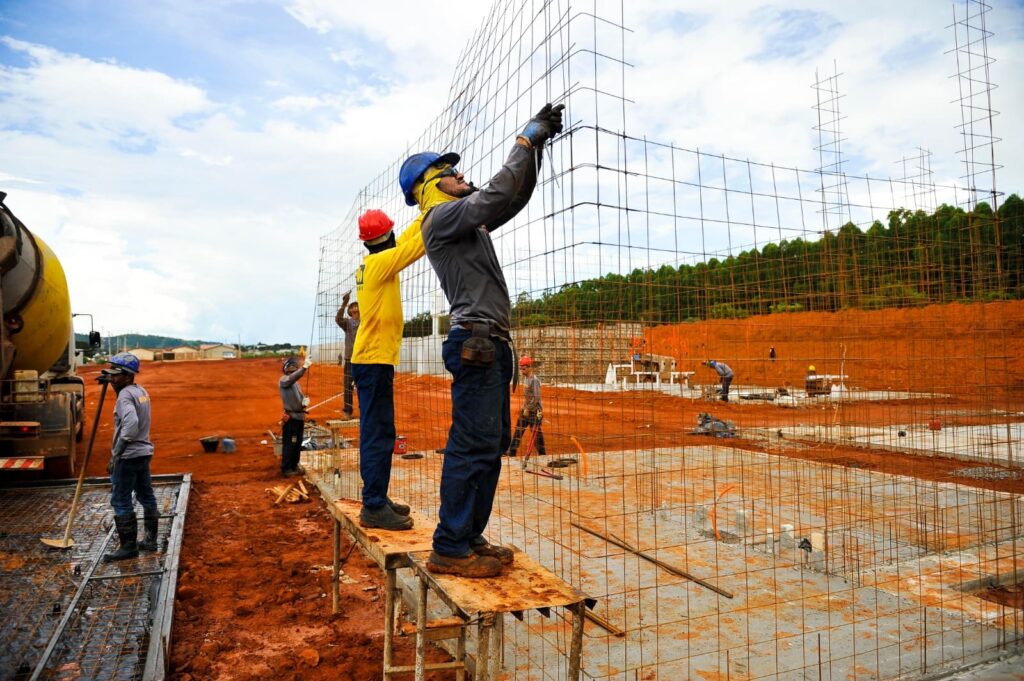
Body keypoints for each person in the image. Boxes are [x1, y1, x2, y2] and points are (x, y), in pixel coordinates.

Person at [402, 101, 565, 577]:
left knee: (488, 444)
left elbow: (511, 198)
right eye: (451, 172)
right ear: (431, 186)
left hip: (490, 346)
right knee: (470, 445)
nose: (460, 174)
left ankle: (468, 536)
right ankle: (450, 545)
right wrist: (523, 140)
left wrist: (534, 152)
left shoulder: (463, 219)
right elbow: (495, 195)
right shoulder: (442, 218)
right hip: (475, 344)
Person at [350, 208, 429, 531]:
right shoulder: (382, 263)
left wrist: (428, 210)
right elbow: (416, 245)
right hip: (373, 361)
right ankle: (373, 504)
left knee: (380, 431)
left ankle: (378, 498)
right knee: (378, 434)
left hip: (373, 360)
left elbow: (410, 236)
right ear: (386, 236)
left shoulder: (374, 261)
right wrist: (440, 214)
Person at [102, 352, 158, 562]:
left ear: (126, 376)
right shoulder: (140, 391)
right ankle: (151, 541)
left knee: (121, 499)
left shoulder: (125, 395)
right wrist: (108, 380)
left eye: (115, 376)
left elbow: (131, 424)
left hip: (128, 455)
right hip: (143, 453)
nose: (112, 379)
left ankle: (128, 547)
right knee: (146, 495)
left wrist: (117, 453)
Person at [279, 355, 312, 477]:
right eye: (291, 368)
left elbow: (299, 395)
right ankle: (287, 468)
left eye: (295, 368)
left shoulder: (296, 384)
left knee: (297, 443)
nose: (293, 370)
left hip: (299, 418)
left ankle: (294, 465)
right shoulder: (284, 381)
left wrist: (303, 402)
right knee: (290, 443)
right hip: (291, 419)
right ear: (286, 369)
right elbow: (293, 378)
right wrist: (304, 368)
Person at [506, 356, 545, 458]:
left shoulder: (534, 380)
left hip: (535, 411)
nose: (522, 371)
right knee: (518, 430)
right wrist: (524, 407)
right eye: (521, 368)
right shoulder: (526, 379)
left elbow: (536, 398)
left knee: (536, 434)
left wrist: (528, 408)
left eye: (524, 368)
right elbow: (528, 397)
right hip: (527, 410)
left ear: (529, 367)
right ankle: (512, 452)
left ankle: (542, 454)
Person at [335, 291, 360, 419]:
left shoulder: (365, 322)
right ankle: (347, 411)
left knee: (363, 386)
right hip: (350, 359)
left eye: (357, 306)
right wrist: (344, 303)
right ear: (349, 311)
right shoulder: (347, 324)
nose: (355, 308)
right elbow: (338, 319)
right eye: (352, 307)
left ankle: (365, 411)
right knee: (347, 387)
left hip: (363, 360)